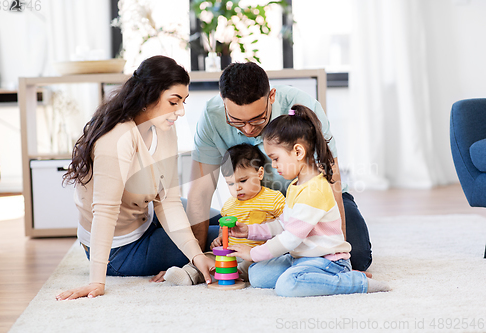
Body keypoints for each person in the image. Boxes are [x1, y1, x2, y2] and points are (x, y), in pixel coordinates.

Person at [56, 56, 216, 300]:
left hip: (146, 215)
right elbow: (105, 211)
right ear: (148, 95)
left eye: (183, 102)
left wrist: (195, 255)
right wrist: (96, 281)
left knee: (222, 219)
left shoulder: (164, 127)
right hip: (119, 249)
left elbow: (168, 201)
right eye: (174, 102)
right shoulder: (116, 139)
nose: (180, 111)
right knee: (222, 237)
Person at [187, 62, 372, 272]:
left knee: (357, 257)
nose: (248, 129)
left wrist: (340, 258)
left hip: (313, 202)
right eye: (237, 121)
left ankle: (279, 252)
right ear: (223, 103)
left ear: (271, 96)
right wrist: (196, 259)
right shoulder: (212, 117)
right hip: (257, 210)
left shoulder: (302, 107)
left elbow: (331, 178)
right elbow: (200, 192)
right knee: (191, 248)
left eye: (258, 119)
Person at [228, 104, 390, 297]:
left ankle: (353, 281)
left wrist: (253, 253)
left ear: (298, 152)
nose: (274, 165)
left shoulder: (315, 190)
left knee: (287, 285)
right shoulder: (295, 186)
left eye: (276, 158)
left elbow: (290, 238)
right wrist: (249, 231)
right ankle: (313, 277)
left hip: (328, 261)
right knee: (257, 275)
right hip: (302, 258)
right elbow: (284, 226)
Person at [164, 143, 285, 284]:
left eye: (243, 180)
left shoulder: (274, 198)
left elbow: (287, 225)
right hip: (229, 253)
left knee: (250, 266)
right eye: (230, 184)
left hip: (256, 254)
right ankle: (188, 273)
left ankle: (231, 273)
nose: (237, 187)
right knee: (208, 257)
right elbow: (224, 228)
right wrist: (220, 238)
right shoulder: (229, 205)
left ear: (260, 173)